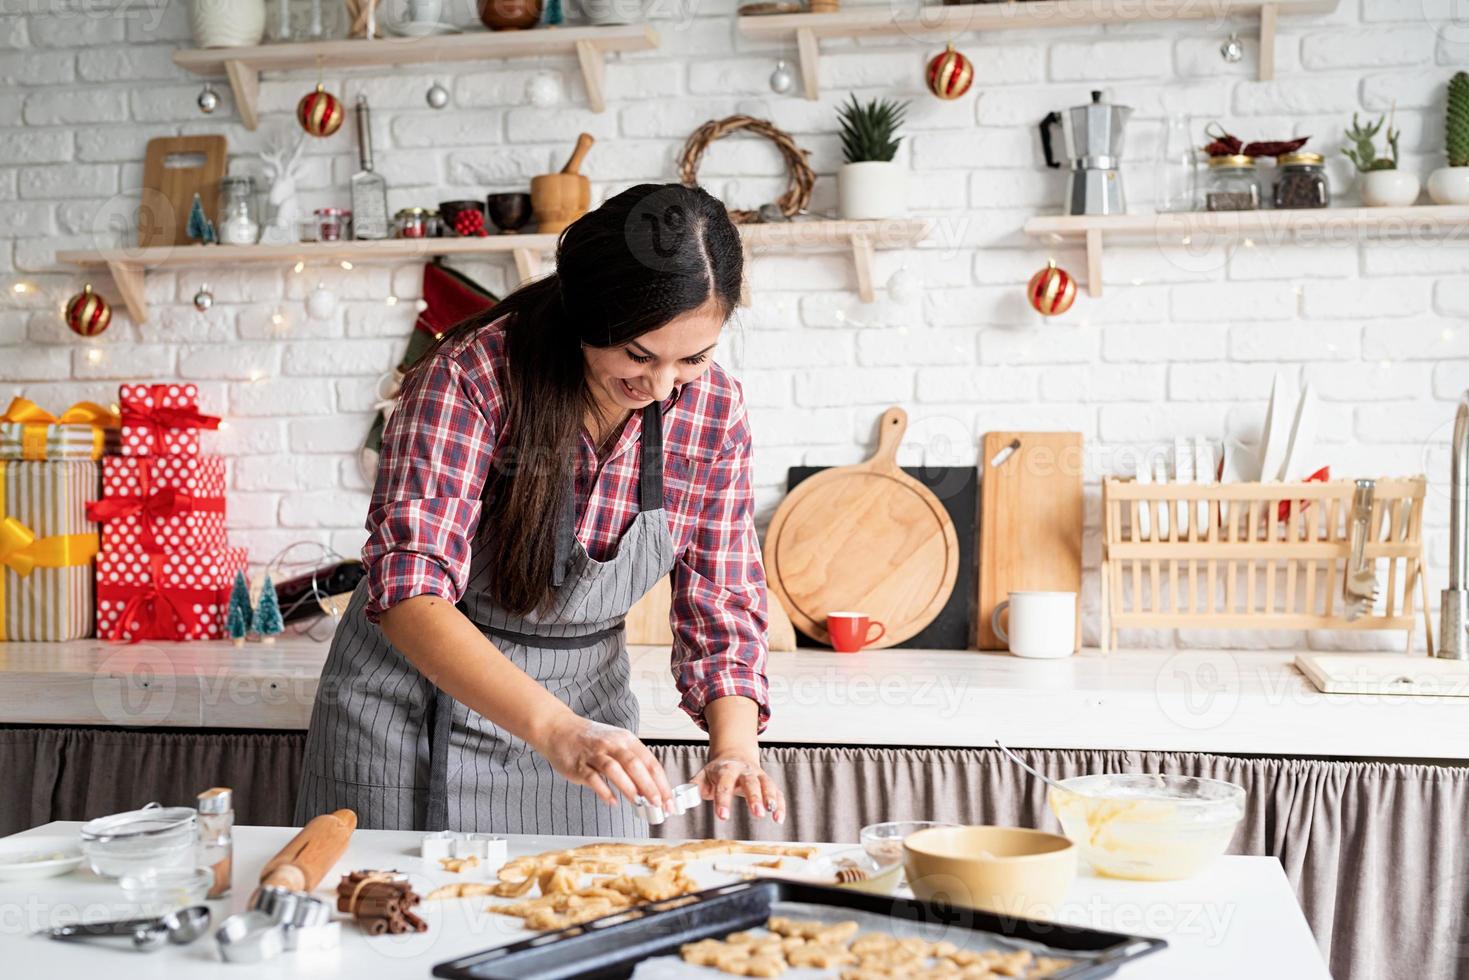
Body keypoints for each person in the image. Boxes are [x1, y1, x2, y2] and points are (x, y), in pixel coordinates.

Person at [295, 183, 782, 835]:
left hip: (589, 727)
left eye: (692, 358)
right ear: (586, 315)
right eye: (637, 355)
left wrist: (734, 747)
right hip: (411, 719)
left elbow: (720, 600)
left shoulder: (713, 409)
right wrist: (555, 728)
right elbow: (409, 592)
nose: (661, 386)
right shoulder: (471, 377)